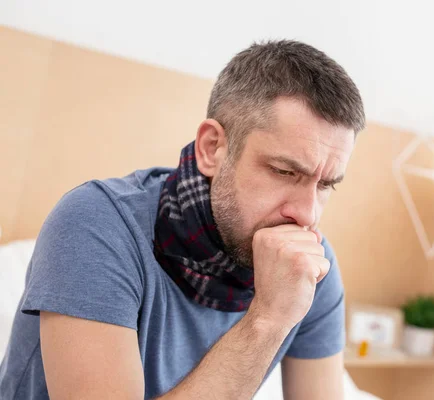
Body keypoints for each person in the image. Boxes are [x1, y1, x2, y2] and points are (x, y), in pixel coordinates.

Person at [0, 39, 365, 399]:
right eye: (284, 172)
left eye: (326, 184)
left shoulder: (311, 262)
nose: (306, 214)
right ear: (212, 148)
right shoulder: (96, 226)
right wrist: (267, 320)